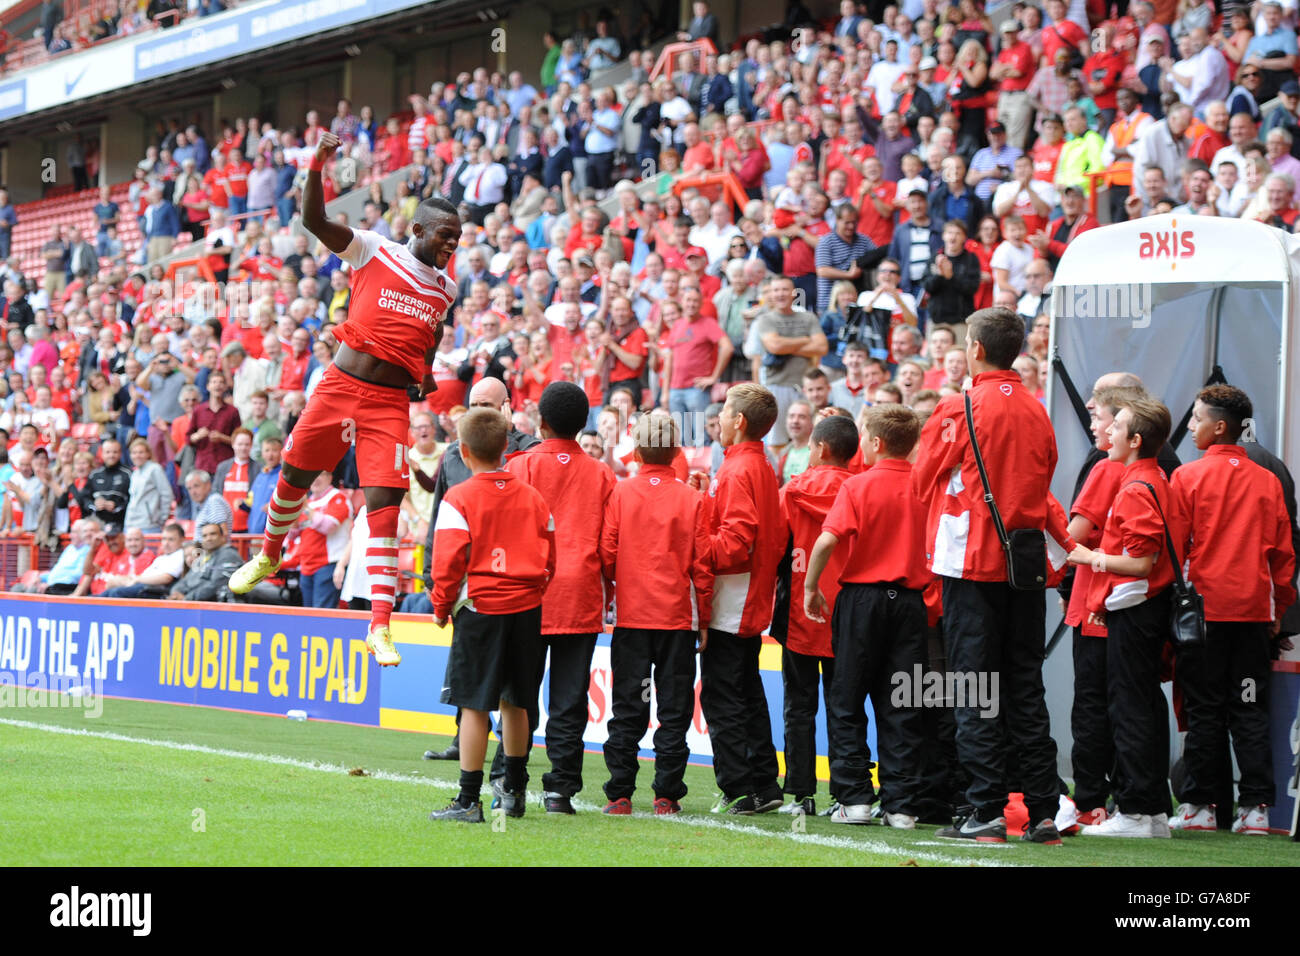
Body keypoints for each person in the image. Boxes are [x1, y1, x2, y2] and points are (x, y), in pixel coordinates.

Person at [229, 130, 462, 667]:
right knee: (293, 470)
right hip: (339, 386)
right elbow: (312, 221)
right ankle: (269, 554)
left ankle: (379, 625)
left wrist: (424, 373)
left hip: (387, 404)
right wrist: (317, 165)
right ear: (418, 229)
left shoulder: (446, 290)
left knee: (383, 505)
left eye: (458, 236)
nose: (453, 243)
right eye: (446, 234)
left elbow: (429, 337)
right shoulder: (374, 248)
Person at [913, 307, 1067, 844]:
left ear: (975, 348)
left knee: (974, 687)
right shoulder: (1036, 408)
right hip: (1023, 567)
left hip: (970, 562)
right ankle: (1045, 811)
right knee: (1025, 686)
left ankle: (986, 809)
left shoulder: (960, 406)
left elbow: (921, 476)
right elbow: (1044, 479)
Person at [1168, 385, 1296, 835]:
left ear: (1219, 426)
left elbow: (1175, 550)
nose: (1190, 425)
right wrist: (1279, 607)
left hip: (1204, 617)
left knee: (1204, 710)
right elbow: (1284, 555)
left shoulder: (1186, 478)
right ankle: (1256, 810)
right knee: (1248, 708)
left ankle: (1199, 807)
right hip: (1252, 617)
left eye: (1197, 418)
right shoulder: (1267, 481)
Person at [428, 408, 556, 823]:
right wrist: (535, 591)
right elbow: (551, 555)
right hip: (526, 607)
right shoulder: (534, 496)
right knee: (517, 702)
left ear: (463, 451)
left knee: (473, 705)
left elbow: (446, 562)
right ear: (506, 447)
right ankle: (514, 793)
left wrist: (441, 607)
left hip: (481, 607)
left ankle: (468, 800)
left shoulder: (459, 497)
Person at [806, 405, 930, 828]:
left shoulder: (859, 486)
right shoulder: (928, 486)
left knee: (847, 700)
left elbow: (826, 541)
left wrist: (810, 587)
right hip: (912, 602)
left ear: (875, 443)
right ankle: (901, 806)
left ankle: (855, 798)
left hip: (862, 599)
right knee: (903, 703)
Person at [1068, 397, 1179, 839]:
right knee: (1138, 707)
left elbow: (1142, 562)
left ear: (1135, 440)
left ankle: (1133, 811)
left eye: (1116, 428)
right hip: (1143, 609)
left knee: (1127, 708)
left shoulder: (1136, 487)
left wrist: (1091, 556)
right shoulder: (1153, 479)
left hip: (1134, 609)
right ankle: (1148, 811)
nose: (1107, 434)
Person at [503, 383, 615, 815]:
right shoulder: (603, 474)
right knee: (568, 699)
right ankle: (560, 790)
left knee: (519, 695)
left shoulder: (520, 466)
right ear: (583, 424)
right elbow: (609, 547)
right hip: (581, 594)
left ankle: (511, 785)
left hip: (528, 595)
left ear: (541, 423)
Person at [599, 412, 712, 815]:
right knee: (674, 709)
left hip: (632, 617)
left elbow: (607, 555)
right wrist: (706, 618)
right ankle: (666, 794)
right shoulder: (692, 498)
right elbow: (702, 564)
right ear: (677, 451)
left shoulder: (620, 493)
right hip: (677, 619)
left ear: (638, 450)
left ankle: (620, 794)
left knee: (627, 708)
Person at [696, 383, 785, 814]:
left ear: (740, 421)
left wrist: (695, 546)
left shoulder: (737, 470)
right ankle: (764, 785)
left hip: (733, 599)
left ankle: (739, 789)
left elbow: (734, 544)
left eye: (725, 412)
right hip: (750, 597)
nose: (719, 420)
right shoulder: (760, 465)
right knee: (747, 692)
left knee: (722, 695)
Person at [774, 414, 858, 815]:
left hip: (801, 611)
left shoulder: (793, 490)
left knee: (799, 707)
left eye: (810, 446)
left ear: (821, 448)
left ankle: (802, 795)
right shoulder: (860, 489)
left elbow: (774, 545)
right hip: (851, 612)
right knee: (845, 706)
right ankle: (847, 795)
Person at [751, 275, 827, 447]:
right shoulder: (765, 319)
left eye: (785, 289)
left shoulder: (808, 318)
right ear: (770, 294)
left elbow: (821, 347)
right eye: (776, 290)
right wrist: (806, 340)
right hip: (777, 385)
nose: (780, 294)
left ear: (794, 293)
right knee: (777, 439)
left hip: (806, 386)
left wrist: (785, 344)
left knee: (811, 438)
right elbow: (775, 346)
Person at [296, 470, 352, 609]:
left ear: (330, 477)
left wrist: (305, 509)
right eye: (312, 475)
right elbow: (293, 533)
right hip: (306, 565)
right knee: (308, 616)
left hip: (329, 564)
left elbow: (329, 526)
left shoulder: (338, 497)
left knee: (321, 616)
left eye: (320, 474)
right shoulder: (308, 502)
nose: (315, 479)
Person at [101, 523, 188, 599]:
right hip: (143, 586)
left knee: (115, 593)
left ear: (182, 540)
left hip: (152, 590)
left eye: (171, 539)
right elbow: (142, 576)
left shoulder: (180, 555)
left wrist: (137, 579)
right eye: (164, 539)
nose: (166, 543)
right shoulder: (161, 558)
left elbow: (166, 578)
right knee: (104, 594)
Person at [170, 522, 243, 603]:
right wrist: (176, 593)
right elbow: (185, 580)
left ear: (222, 537)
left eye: (213, 534)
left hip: (219, 608)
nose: (208, 538)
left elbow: (215, 586)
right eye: (204, 536)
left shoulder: (228, 554)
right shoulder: (204, 557)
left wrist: (186, 598)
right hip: (197, 604)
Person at [124, 436, 172, 533]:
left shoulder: (155, 469)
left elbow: (166, 494)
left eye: (141, 452)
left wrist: (161, 518)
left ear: (148, 454)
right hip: (130, 524)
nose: (137, 455)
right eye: (134, 453)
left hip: (149, 525)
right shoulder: (135, 473)